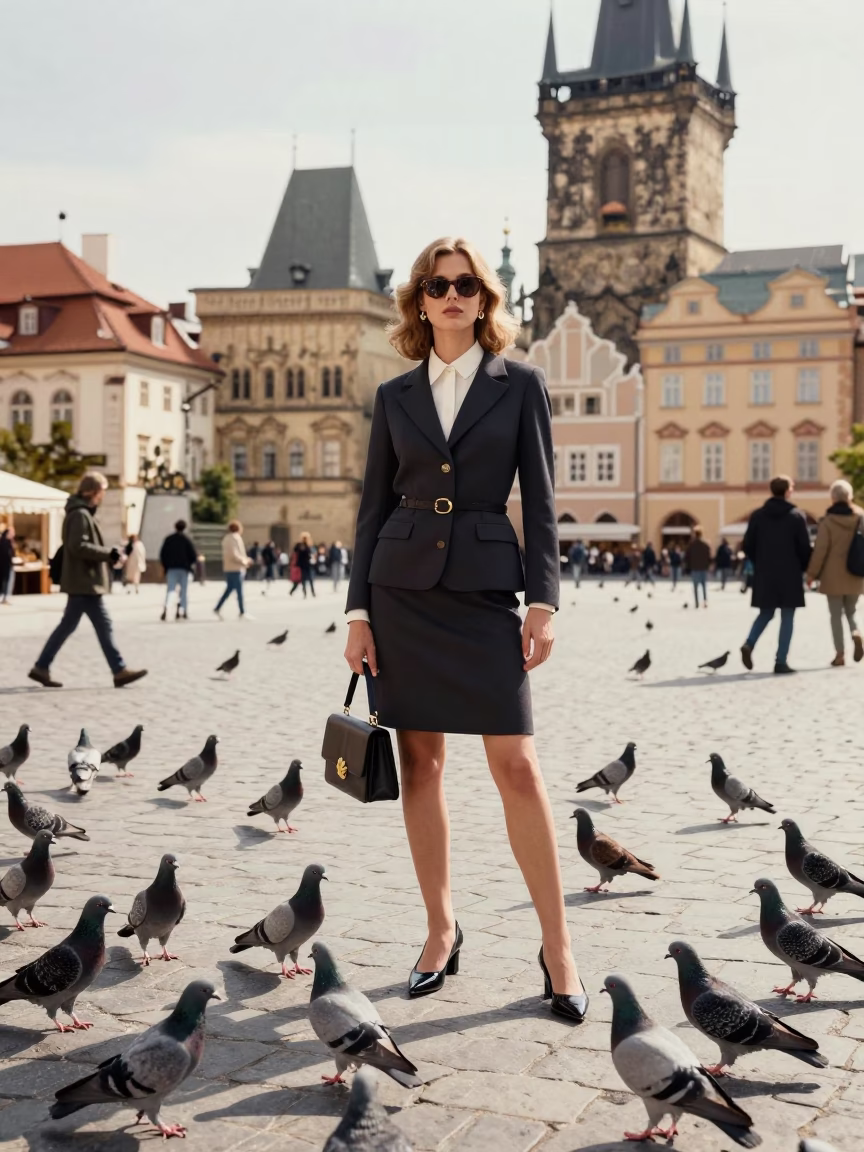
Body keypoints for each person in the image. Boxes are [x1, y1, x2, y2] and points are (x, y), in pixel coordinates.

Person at [343, 235, 586, 1021]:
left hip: (485, 594)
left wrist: (542, 601)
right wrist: (356, 613)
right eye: (437, 285)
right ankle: (440, 931)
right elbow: (373, 508)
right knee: (421, 766)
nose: (451, 296)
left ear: (485, 299)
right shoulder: (394, 396)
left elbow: (542, 500)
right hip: (400, 593)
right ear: (419, 301)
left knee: (518, 766)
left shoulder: (521, 386)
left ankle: (558, 948)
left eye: (466, 285)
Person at [28, 473, 147, 689]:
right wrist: (107, 553)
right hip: (85, 581)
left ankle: (41, 667)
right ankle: (118, 670)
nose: (102, 496)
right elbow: (77, 546)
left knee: (69, 626)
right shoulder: (79, 515)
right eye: (101, 491)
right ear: (92, 492)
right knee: (102, 625)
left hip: (83, 581)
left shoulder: (81, 514)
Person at [740, 475, 812, 674]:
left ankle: (749, 643)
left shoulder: (758, 515)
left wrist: (759, 561)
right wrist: (804, 568)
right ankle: (781, 661)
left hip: (765, 572)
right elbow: (804, 548)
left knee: (766, 612)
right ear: (788, 491)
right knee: (787, 615)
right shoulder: (796, 516)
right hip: (790, 573)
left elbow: (747, 545)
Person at [806, 478, 864, 666]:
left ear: (832, 497)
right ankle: (856, 632)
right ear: (850, 496)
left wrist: (811, 574)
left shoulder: (828, 521)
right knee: (851, 612)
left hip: (833, 575)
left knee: (835, 616)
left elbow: (820, 549)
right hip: (856, 572)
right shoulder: (861, 517)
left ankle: (840, 654)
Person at [159, 519, 198, 621]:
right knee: (183, 591)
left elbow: (162, 554)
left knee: (170, 590)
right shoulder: (187, 540)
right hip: (183, 569)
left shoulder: (169, 539)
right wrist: (189, 565)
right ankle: (183, 610)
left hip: (171, 569)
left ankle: (166, 609)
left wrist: (166, 566)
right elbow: (193, 555)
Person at [214, 520, 252, 619]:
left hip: (228, 568)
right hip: (236, 568)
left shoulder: (226, 538)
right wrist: (245, 562)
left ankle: (217, 608)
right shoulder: (235, 538)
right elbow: (235, 554)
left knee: (229, 589)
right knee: (239, 591)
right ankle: (242, 612)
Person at [684, 526, 711, 608]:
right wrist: (708, 565)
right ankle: (705, 601)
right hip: (703, 568)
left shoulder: (691, 545)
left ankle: (696, 603)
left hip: (694, 568)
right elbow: (708, 557)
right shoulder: (705, 545)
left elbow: (687, 557)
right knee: (704, 586)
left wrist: (687, 567)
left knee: (695, 587)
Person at [289, 532, 316, 598]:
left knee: (309, 579)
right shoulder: (299, 545)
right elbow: (295, 552)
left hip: (307, 564)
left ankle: (311, 592)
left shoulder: (308, 545)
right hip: (301, 565)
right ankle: (305, 592)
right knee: (303, 579)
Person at [0, 526, 15, 604]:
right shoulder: (4, 543)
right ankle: (4, 597)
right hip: (3, 566)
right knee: (4, 581)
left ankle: (5, 597)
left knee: (6, 582)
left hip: (7, 566)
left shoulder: (8, 542)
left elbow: (12, 554)